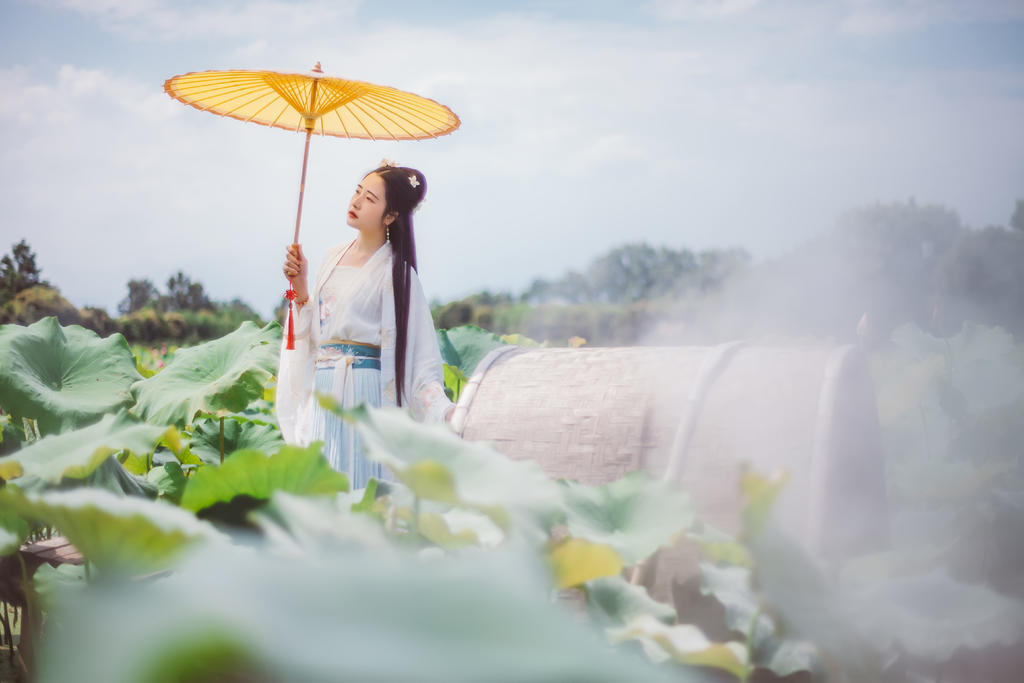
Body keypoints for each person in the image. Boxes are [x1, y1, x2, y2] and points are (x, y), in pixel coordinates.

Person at [276, 160, 453, 489]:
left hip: (366, 394)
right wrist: (298, 286)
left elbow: (421, 362)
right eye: (358, 192)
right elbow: (311, 329)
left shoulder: (399, 275)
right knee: (323, 493)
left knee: (362, 491)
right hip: (324, 391)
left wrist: (445, 411)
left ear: (390, 216)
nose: (356, 201)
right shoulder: (331, 257)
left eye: (370, 198)